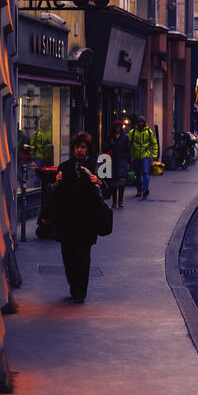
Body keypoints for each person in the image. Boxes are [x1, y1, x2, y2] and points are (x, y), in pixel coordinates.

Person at [47, 132, 107, 303]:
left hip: (87, 221)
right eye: (77, 147)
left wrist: (99, 182)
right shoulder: (64, 167)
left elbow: (108, 191)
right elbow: (55, 195)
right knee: (68, 256)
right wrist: (56, 184)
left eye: (83, 147)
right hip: (67, 219)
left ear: (88, 149)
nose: (79, 150)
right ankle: (74, 285)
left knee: (83, 256)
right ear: (73, 149)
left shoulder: (98, 165)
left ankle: (80, 291)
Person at [129, 116, 158, 198]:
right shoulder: (133, 132)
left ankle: (145, 189)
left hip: (146, 156)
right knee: (137, 174)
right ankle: (139, 189)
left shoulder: (149, 132)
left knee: (145, 172)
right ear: (137, 123)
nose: (141, 123)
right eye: (139, 122)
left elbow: (154, 143)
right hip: (135, 156)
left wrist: (155, 155)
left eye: (142, 122)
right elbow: (128, 144)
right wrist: (129, 155)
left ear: (144, 123)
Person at [108, 119, 132, 209]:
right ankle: (114, 202)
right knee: (114, 183)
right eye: (116, 127)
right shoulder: (111, 136)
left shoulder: (125, 137)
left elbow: (128, 149)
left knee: (122, 182)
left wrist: (129, 161)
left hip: (122, 162)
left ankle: (120, 201)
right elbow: (106, 147)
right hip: (113, 162)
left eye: (119, 127)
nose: (117, 129)